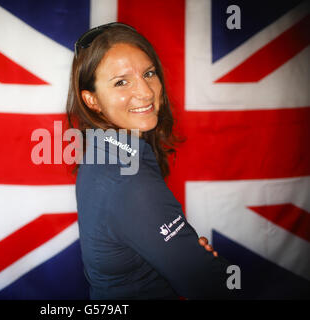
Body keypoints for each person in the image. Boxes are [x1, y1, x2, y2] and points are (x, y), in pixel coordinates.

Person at [67, 22, 237, 300]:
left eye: (149, 73)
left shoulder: (103, 153)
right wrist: (204, 266)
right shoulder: (128, 179)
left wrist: (182, 255)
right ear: (92, 100)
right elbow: (213, 287)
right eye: (121, 82)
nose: (146, 92)